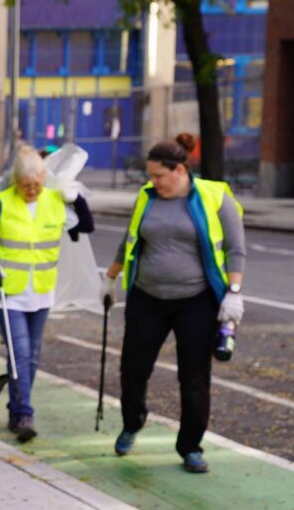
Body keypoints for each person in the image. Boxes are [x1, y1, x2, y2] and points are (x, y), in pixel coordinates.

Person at [101, 133, 245, 474]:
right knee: (133, 370)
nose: (153, 182)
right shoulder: (146, 197)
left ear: (179, 170)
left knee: (194, 377)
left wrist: (234, 292)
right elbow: (129, 240)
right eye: (150, 175)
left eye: (159, 175)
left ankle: (190, 447)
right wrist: (109, 278)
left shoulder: (214, 197)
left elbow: (236, 249)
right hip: (146, 298)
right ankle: (132, 422)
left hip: (196, 301)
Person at [0, 146, 94, 442]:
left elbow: (85, 228)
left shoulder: (54, 201)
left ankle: (16, 410)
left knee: (32, 356)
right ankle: (25, 413)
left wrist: (77, 200)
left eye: (37, 184)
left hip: (41, 290)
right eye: (26, 186)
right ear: (16, 182)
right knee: (20, 353)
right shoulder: (0, 204)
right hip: (8, 291)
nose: (32, 190)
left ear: (43, 179)